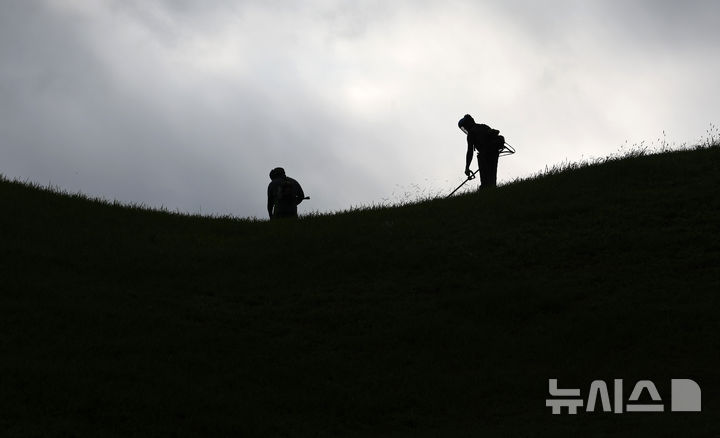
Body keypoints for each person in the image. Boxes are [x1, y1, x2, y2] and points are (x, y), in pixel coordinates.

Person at [458, 114, 505, 188]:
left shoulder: (471, 134)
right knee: (492, 175)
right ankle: (492, 189)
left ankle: (486, 191)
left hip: (484, 155)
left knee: (485, 179)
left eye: (465, 126)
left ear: (467, 124)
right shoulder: (483, 126)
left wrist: (467, 167)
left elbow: (470, 151)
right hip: (494, 153)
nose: (465, 128)